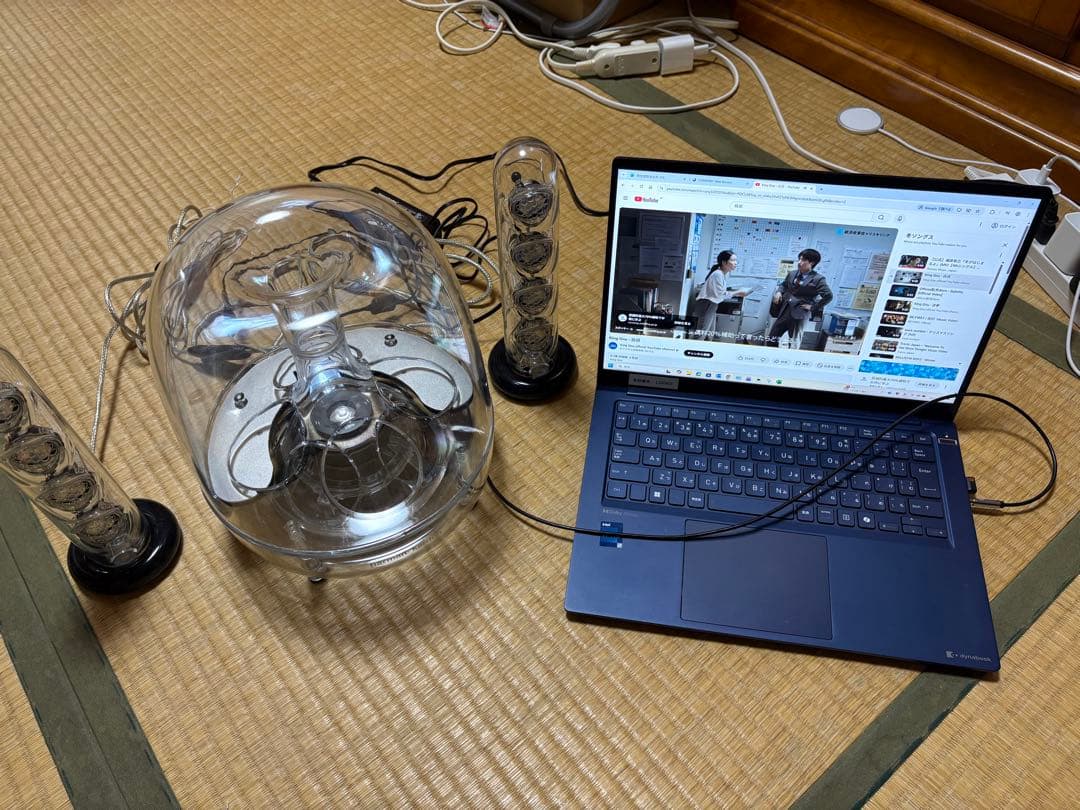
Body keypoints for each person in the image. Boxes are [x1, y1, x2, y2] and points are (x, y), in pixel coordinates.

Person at [768, 248, 833, 347]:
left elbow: (828, 296)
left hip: (800, 313)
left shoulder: (818, 279)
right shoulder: (792, 273)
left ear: (812, 263)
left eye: (803, 260)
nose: (799, 262)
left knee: (793, 342)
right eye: (799, 259)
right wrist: (779, 292)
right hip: (785, 310)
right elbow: (784, 285)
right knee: (772, 337)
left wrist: (813, 307)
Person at [691, 250, 748, 337]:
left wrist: (738, 293)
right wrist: (738, 292)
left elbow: (720, 293)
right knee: (701, 334)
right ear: (724, 262)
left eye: (736, 260)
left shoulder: (721, 274)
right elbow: (721, 294)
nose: (735, 263)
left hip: (711, 304)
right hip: (706, 304)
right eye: (732, 260)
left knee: (709, 335)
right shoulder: (718, 274)